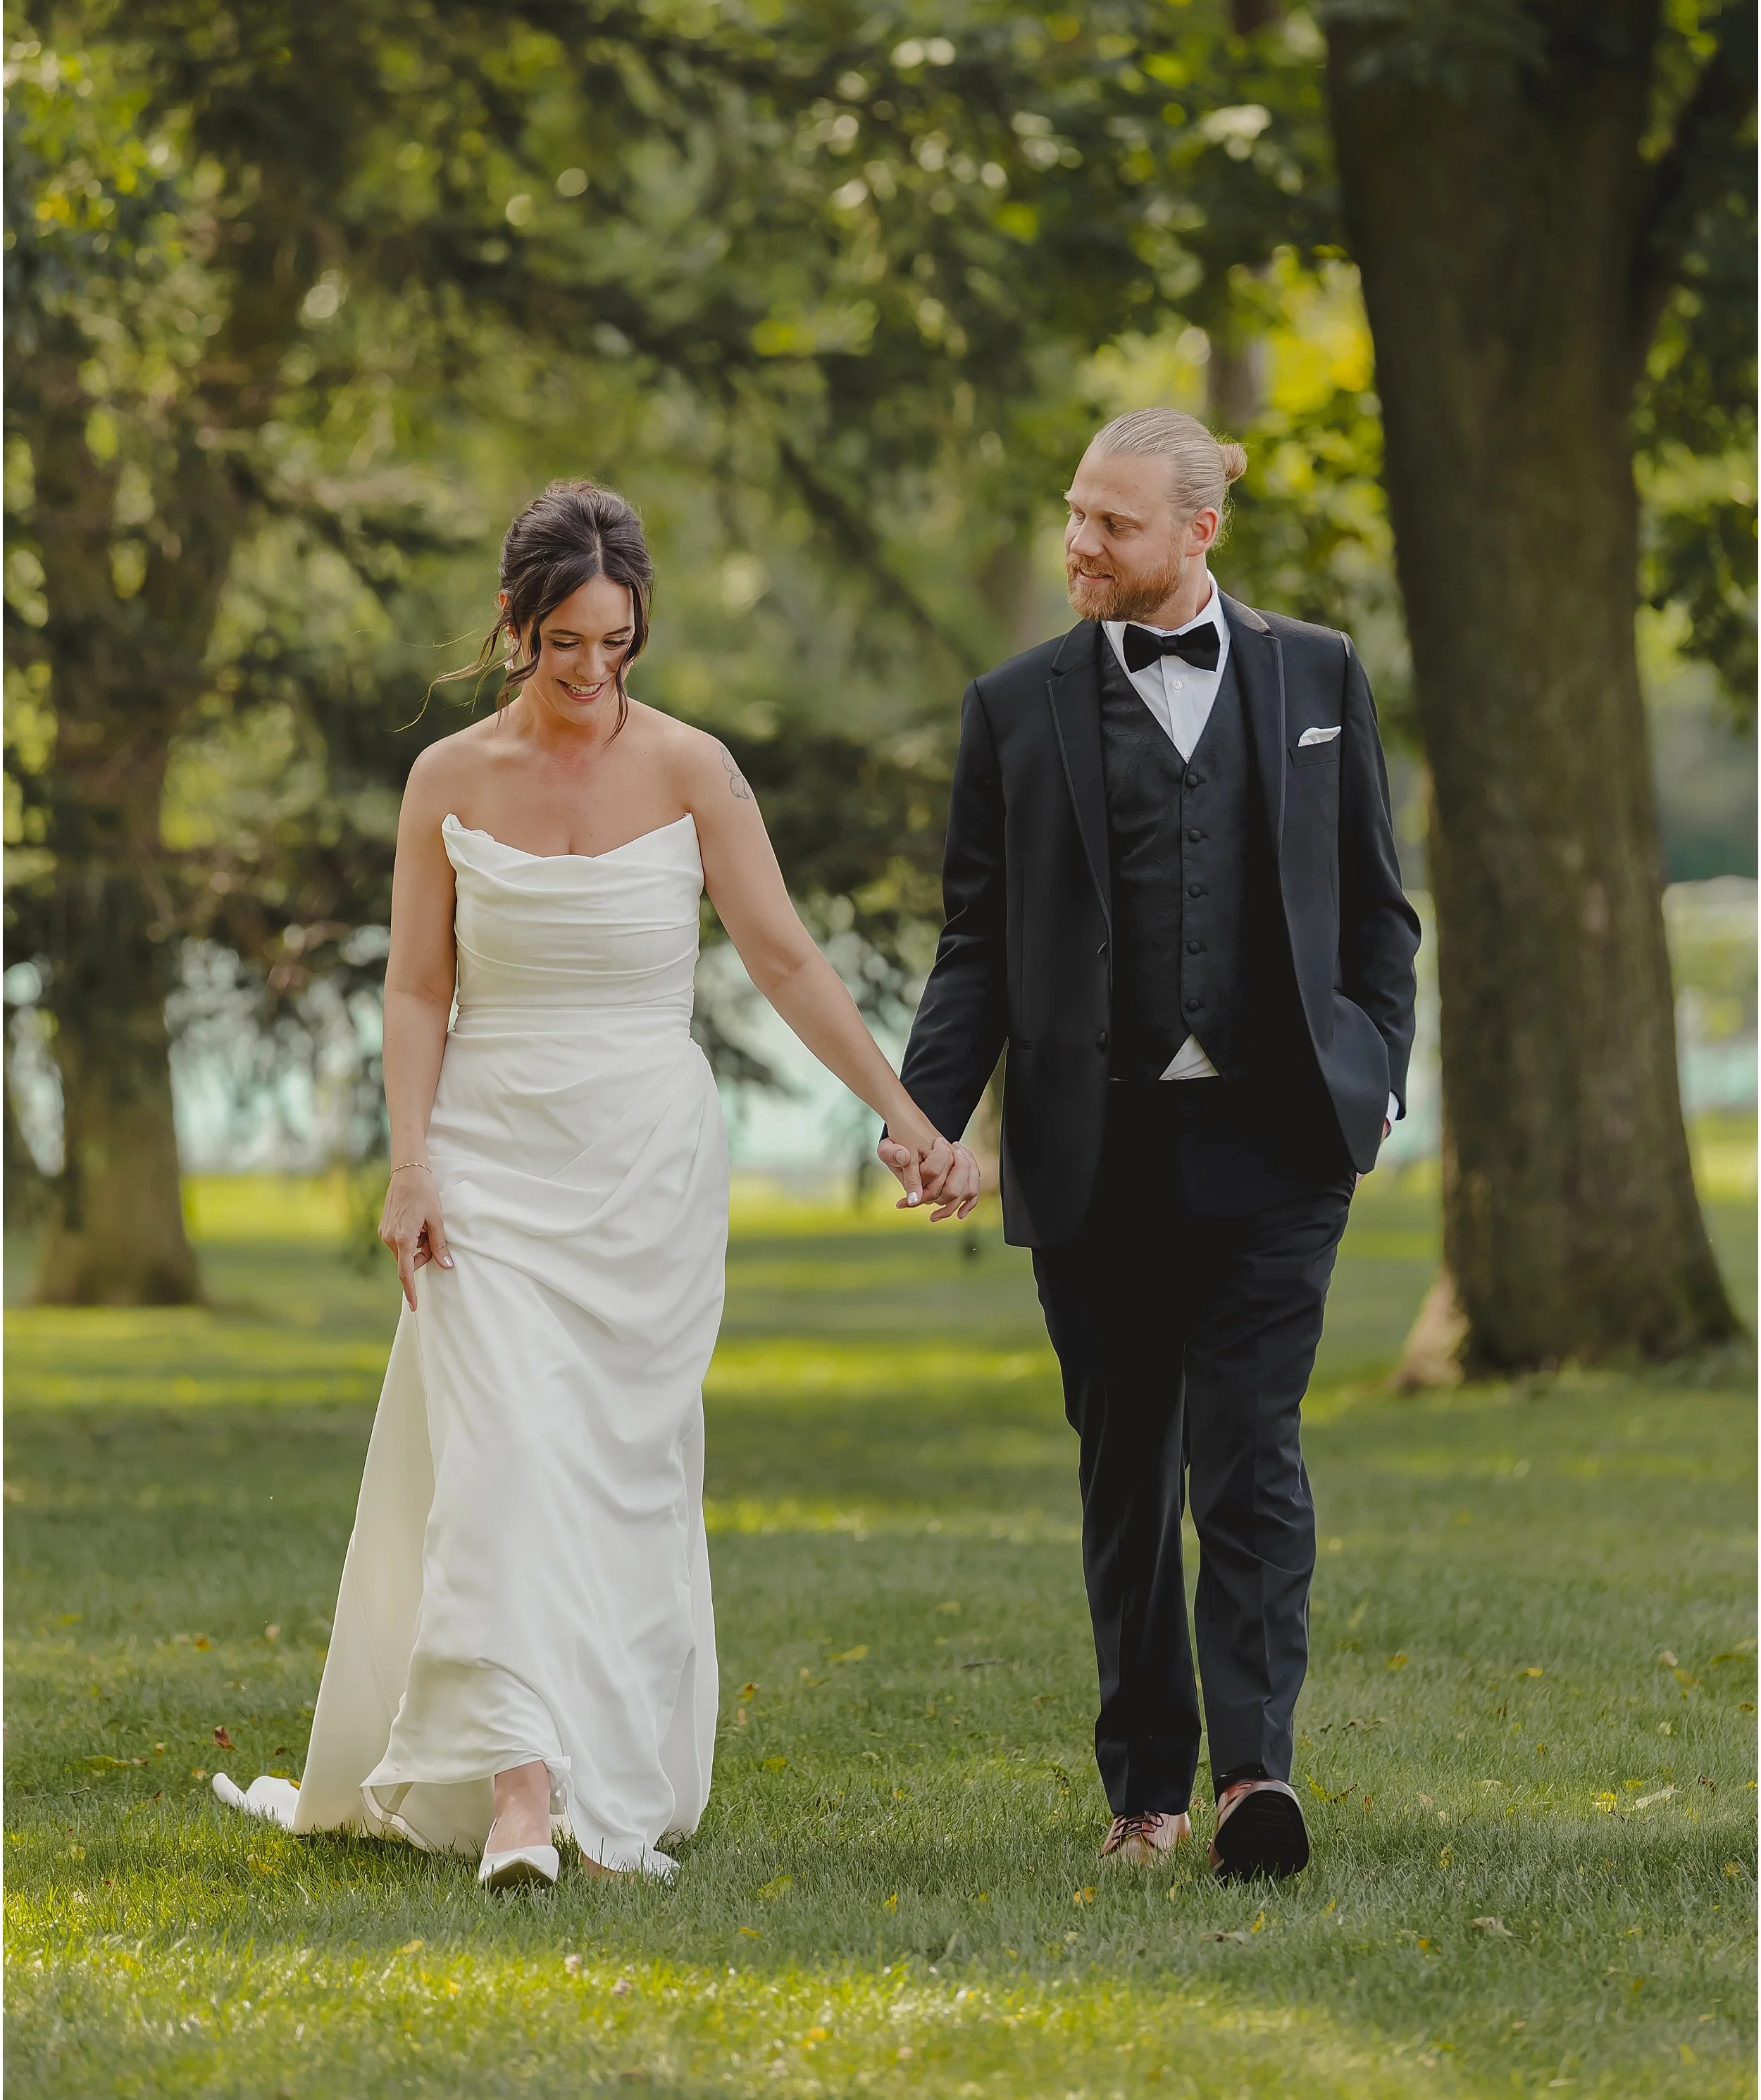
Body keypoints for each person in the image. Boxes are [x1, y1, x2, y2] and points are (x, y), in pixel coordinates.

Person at [216, 477, 978, 1888]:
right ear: (515, 625)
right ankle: (519, 1788)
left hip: (643, 1166)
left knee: (611, 1470)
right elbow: (419, 987)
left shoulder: (695, 771)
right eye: (563, 641)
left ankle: (594, 1757)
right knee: (501, 1455)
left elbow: (785, 961)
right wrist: (408, 1162)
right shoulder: (448, 778)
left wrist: (902, 1113)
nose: (588, 672)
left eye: (613, 643)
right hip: (491, 1155)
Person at [893, 408, 1419, 1882]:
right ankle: (1145, 1792)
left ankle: (1255, 1778)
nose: (1078, 543)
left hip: (1276, 1148)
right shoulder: (1013, 707)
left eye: (1111, 524)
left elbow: (1376, 913)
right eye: (1071, 513)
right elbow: (974, 945)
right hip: (1094, 1153)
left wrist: (1370, 1076)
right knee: (1127, 1475)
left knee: (1250, 1461)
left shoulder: (1313, 673)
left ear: (1197, 532)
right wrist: (926, 1111)